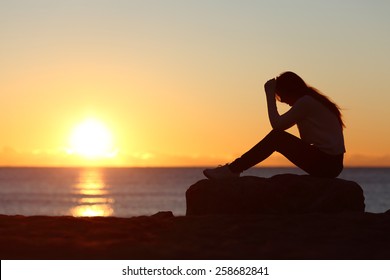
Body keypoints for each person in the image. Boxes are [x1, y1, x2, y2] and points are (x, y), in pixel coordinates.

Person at [203, 71, 345, 179]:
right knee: (278, 137)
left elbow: (277, 126)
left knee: (277, 137)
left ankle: (233, 170)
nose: (282, 100)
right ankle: (234, 169)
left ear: (290, 90)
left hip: (327, 164)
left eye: (281, 96)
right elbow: (306, 140)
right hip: (332, 164)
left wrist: (269, 95)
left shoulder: (306, 102)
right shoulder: (312, 100)